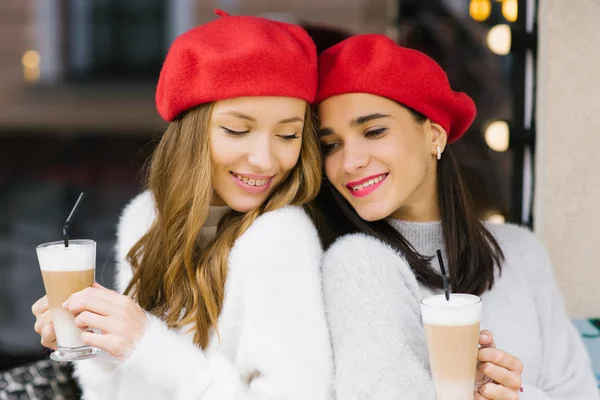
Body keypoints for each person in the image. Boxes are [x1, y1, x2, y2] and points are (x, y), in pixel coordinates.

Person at [31, 10, 333, 399]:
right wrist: (97, 341)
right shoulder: (146, 219)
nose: (265, 159)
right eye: (238, 130)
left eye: (288, 134)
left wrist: (145, 345)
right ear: (191, 134)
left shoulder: (279, 237)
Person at [314, 34, 599, 400]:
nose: (349, 162)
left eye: (374, 131)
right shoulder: (357, 264)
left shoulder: (522, 252)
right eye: (331, 145)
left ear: (434, 135)